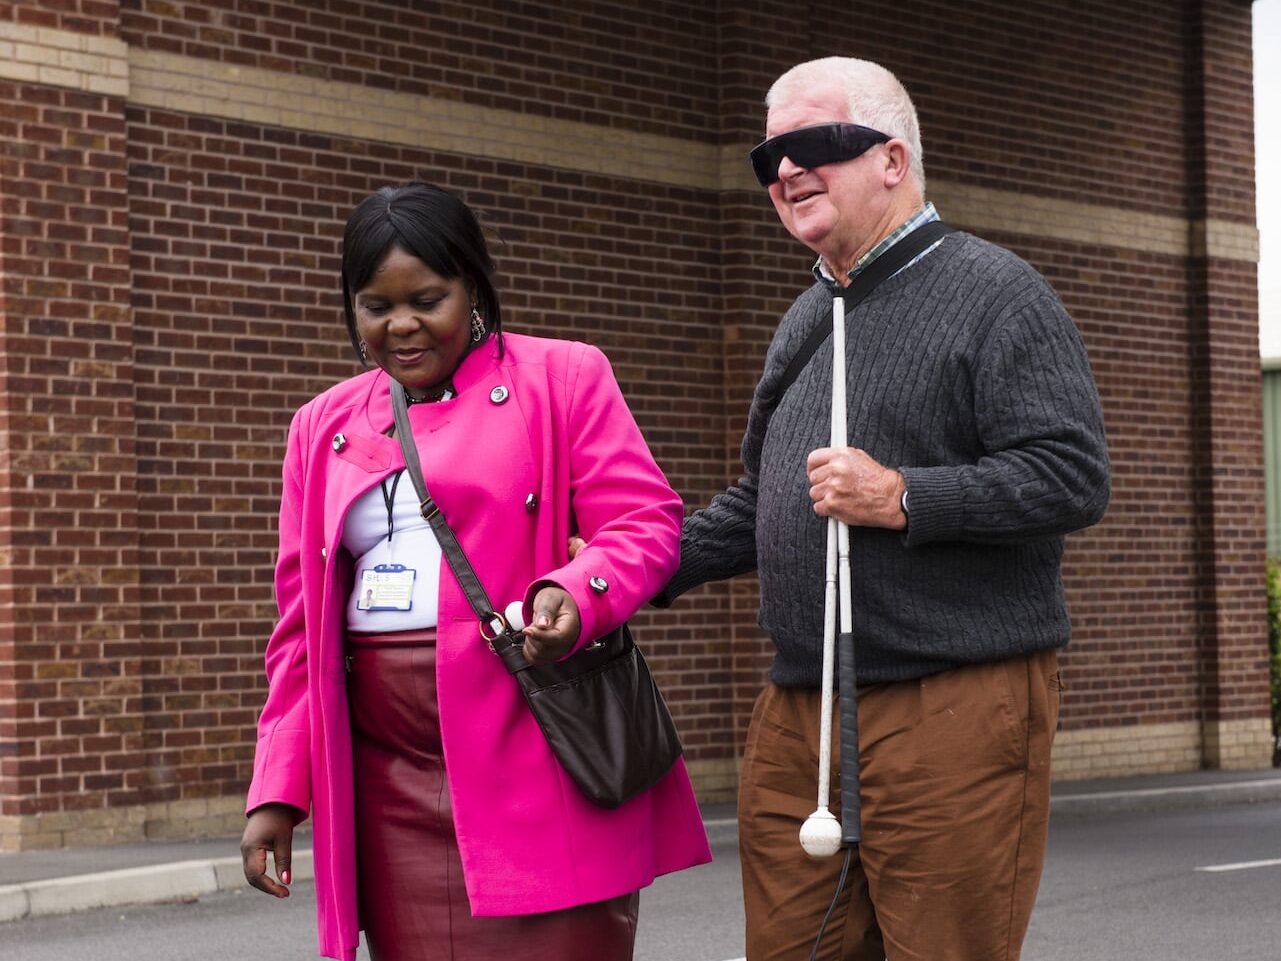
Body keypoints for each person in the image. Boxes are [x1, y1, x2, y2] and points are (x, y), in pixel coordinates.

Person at [656, 58, 1111, 961]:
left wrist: (904, 496)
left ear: (893, 159)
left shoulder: (997, 292)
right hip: (799, 709)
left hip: (953, 703)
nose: (783, 170)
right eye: (767, 155)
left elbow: (1071, 475)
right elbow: (765, 502)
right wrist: (622, 569)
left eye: (812, 142)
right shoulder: (804, 316)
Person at [239, 182, 711, 961]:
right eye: (374, 306)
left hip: (533, 741)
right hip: (384, 775)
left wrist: (575, 592)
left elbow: (643, 522)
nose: (401, 325)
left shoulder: (562, 377)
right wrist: (278, 789)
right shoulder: (319, 425)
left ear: (474, 285)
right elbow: (299, 631)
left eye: (427, 298)